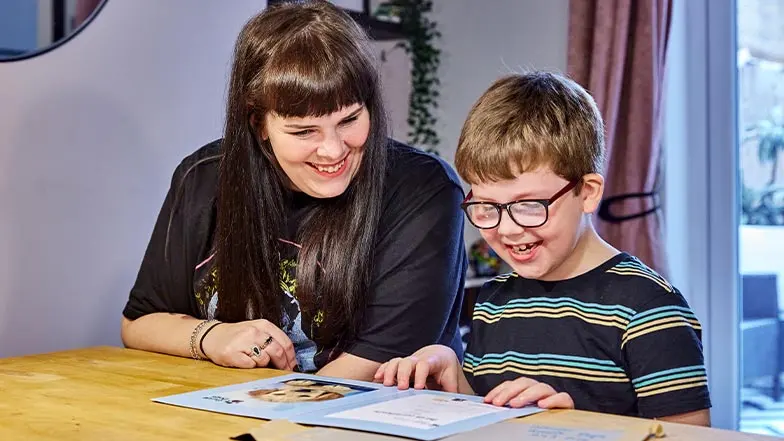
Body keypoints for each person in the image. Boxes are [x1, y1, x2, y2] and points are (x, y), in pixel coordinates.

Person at [120, 0, 467, 382]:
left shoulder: (423, 189)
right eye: (304, 132)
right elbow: (138, 322)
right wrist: (210, 336)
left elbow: (376, 361)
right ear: (259, 124)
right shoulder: (202, 177)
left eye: (350, 119)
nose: (333, 150)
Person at [374, 72, 712, 426]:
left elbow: (691, 437)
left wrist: (574, 425)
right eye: (487, 206)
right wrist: (450, 375)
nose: (506, 228)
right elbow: (487, 413)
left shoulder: (648, 307)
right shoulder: (495, 301)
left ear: (588, 192)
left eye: (530, 205)